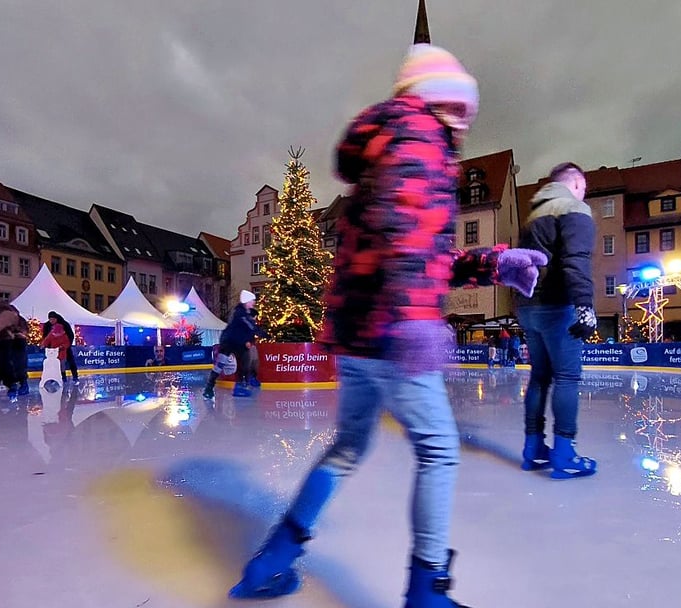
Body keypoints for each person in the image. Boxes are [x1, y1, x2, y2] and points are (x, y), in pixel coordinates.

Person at [228, 43, 546, 606]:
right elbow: (407, 232)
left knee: (349, 445)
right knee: (440, 450)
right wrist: (410, 317)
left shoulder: (383, 148)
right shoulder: (420, 139)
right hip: (393, 331)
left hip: (357, 335)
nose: (466, 124)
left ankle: (273, 558)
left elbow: (422, 247)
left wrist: (494, 261)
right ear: (441, 101)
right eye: (462, 110)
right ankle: (426, 592)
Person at [515, 162, 598, 479]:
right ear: (576, 182)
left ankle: (533, 448)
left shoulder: (533, 215)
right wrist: (584, 306)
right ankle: (564, 454)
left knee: (540, 377)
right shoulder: (573, 208)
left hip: (528, 306)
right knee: (567, 378)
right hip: (556, 305)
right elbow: (575, 260)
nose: (584, 194)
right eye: (584, 188)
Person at [202, 290, 260, 399]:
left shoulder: (245, 312)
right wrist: (252, 337)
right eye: (252, 300)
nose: (254, 303)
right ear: (247, 301)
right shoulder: (240, 313)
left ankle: (237, 385)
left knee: (242, 362)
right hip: (230, 342)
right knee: (235, 363)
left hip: (233, 341)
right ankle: (210, 388)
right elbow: (247, 327)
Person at [42, 312, 78, 382]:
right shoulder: (47, 325)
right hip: (53, 349)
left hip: (64, 348)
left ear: (56, 319)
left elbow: (70, 335)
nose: (51, 321)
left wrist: (66, 345)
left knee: (69, 361)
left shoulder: (64, 324)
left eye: (53, 319)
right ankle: (54, 378)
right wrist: (47, 346)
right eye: (50, 319)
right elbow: (46, 337)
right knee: (53, 364)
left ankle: (75, 376)